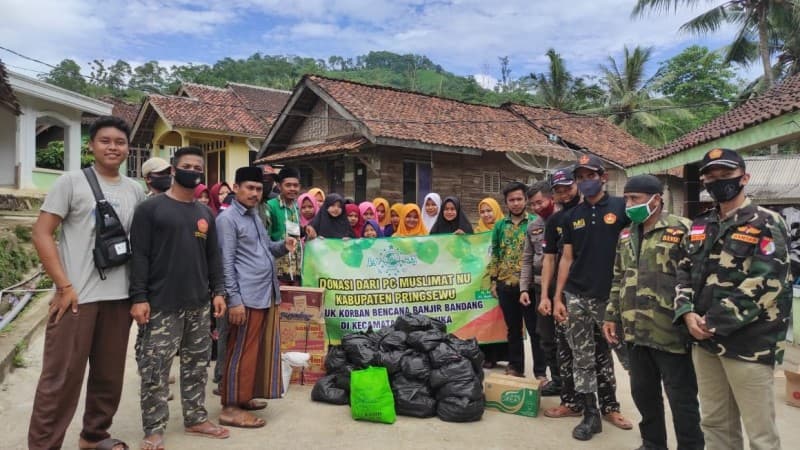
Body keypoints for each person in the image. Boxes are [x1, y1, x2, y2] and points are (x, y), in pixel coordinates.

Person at [28, 116, 144, 450]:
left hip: (118, 297)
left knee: (109, 378)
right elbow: (42, 232)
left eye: (119, 142)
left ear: (127, 149)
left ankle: (93, 437)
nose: (113, 147)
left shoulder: (134, 189)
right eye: (105, 141)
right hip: (77, 298)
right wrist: (63, 286)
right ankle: (44, 445)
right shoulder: (71, 182)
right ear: (91, 145)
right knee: (61, 380)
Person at [674, 148, 792, 450]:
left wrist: (713, 321)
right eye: (711, 178)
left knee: (760, 434)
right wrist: (687, 312)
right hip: (704, 340)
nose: (718, 183)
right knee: (715, 424)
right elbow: (684, 270)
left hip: (749, 344)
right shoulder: (700, 225)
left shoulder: (766, 221)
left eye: (726, 176)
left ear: (744, 178)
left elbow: (768, 280)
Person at [130, 146, 230, 449]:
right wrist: (138, 297)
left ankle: (196, 417)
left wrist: (219, 292)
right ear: (174, 170)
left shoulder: (205, 213)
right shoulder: (150, 210)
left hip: (198, 304)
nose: (193, 171)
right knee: (156, 368)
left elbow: (213, 257)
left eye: (198, 167)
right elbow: (140, 257)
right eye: (187, 165)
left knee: (197, 365)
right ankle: (154, 427)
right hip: (161, 304)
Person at [603, 175, 703, 450]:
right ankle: (652, 444)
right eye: (626, 199)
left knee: (681, 399)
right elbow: (618, 276)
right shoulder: (626, 233)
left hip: (669, 330)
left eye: (635, 199)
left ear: (656, 199)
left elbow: (694, 278)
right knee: (644, 395)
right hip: (635, 331)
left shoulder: (682, 229)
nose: (629, 204)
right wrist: (611, 315)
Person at [553, 154, 632, 440]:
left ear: (604, 176)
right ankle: (590, 414)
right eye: (581, 177)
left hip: (611, 299)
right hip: (576, 296)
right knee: (581, 357)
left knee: (626, 355)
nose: (586, 182)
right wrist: (559, 297)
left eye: (591, 176)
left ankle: (618, 408)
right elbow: (566, 258)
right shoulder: (571, 216)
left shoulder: (622, 208)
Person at [216, 166, 297, 429]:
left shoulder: (255, 216)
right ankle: (230, 407)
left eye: (258, 189)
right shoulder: (227, 220)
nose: (254, 193)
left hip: (264, 293)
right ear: (236, 188)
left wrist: (283, 247)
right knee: (239, 351)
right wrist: (234, 300)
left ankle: (243, 397)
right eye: (249, 188)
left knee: (254, 351)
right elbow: (226, 263)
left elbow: (264, 251)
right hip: (245, 298)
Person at [487, 182, 537, 378]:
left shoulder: (535, 222)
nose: (516, 203)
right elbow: (496, 254)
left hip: (530, 286)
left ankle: (540, 372)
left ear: (525, 200)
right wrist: (493, 280)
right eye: (511, 200)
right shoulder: (500, 225)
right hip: (505, 285)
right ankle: (516, 367)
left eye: (519, 199)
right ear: (506, 203)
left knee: (535, 330)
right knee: (513, 329)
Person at [519, 182, 557, 385]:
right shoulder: (533, 226)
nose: (536, 208)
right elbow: (527, 259)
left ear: (551, 198)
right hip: (539, 287)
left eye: (539, 203)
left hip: (561, 289)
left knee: (566, 340)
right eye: (532, 205)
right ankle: (557, 382)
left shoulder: (563, 220)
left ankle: (570, 387)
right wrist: (524, 288)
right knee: (545, 337)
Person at [265, 167, 307, 284]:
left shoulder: (296, 206)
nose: (292, 188)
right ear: (279, 186)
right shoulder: (270, 206)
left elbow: (295, 232)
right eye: (288, 185)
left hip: (296, 268)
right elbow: (266, 239)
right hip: (278, 268)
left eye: (296, 185)